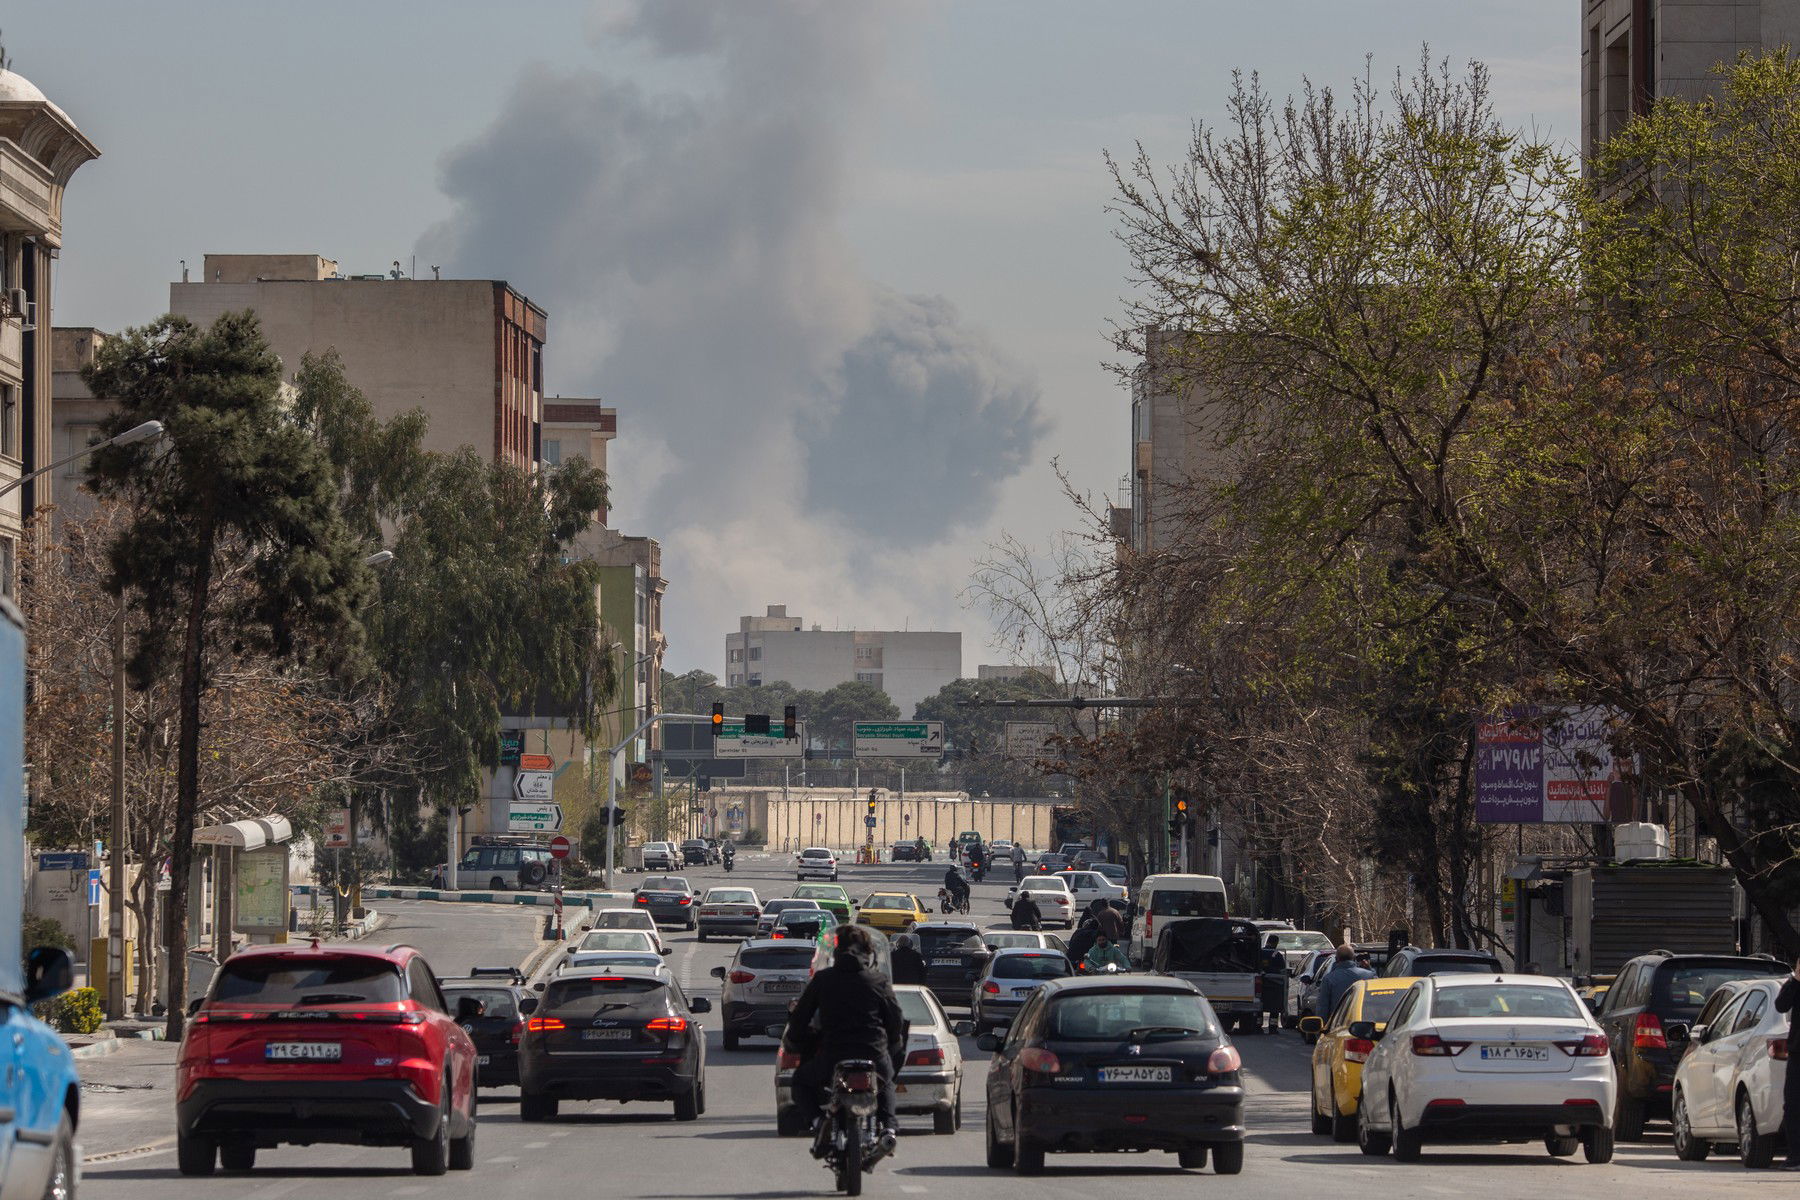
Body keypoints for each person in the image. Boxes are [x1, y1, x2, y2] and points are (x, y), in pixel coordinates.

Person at [784, 922, 905, 1149]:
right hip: (874, 1053)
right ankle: (889, 1127)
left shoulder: (823, 980)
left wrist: (797, 1038)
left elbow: (801, 1017)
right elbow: (895, 1020)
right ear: (867, 954)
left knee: (800, 1081)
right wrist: (892, 1040)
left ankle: (819, 1123)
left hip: (834, 1056)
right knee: (886, 1080)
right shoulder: (878, 981)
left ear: (837, 953)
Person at [1312, 944, 1376, 1022]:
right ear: (1354, 958)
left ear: (1336, 959)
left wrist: (1322, 1028)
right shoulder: (1368, 975)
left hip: (1337, 1025)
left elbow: (1322, 1007)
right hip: (1365, 1024)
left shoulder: (1329, 979)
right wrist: (1369, 968)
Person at [1777, 957, 1800, 1169]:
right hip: (1797, 1056)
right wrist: (1795, 979)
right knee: (1793, 1107)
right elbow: (1780, 1005)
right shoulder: (1794, 985)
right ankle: (1795, 1156)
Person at [1260, 935, 1289, 1033]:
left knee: (1260, 1005)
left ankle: (1257, 1025)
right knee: (1274, 1007)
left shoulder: (1261, 952)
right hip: (1275, 984)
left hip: (1261, 984)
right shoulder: (1277, 954)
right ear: (1276, 943)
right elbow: (1282, 969)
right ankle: (1272, 1028)